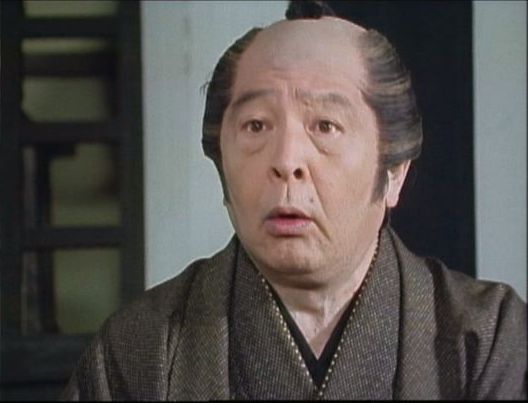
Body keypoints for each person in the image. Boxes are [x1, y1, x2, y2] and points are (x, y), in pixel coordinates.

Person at [61, 1, 526, 400]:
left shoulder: (487, 338)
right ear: (221, 161)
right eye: (256, 125)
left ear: (394, 172)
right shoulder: (140, 347)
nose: (286, 160)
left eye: (325, 126)